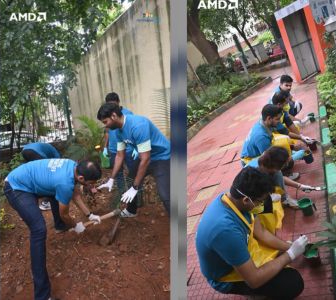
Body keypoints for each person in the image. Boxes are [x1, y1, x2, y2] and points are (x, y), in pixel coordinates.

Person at [196, 167, 307, 299]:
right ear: (246, 200)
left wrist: (289, 246)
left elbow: (261, 232)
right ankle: (255, 295)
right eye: (260, 201)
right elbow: (254, 280)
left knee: (280, 253)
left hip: (239, 249)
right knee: (292, 283)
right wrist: (291, 254)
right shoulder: (225, 230)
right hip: (226, 275)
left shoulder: (232, 197)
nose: (261, 205)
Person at [4, 159, 102, 300]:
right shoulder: (65, 183)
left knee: (55, 193)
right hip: (16, 187)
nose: (92, 186)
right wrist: (76, 225)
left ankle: (59, 226)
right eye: (91, 183)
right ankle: (42, 296)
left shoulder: (73, 166)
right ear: (81, 178)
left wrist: (89, 214)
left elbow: (75, 195)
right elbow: (64, 214)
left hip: (28, 179)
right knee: (39, 230)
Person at [96, 102, 170, 217]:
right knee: (131, 178)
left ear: (114, 116)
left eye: (106, 122)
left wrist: (135, 187)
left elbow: (146, 159)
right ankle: (131, 210)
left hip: (162, 156)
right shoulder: (118, 130)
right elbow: (120, 155)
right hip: (145, 156)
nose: (106, 126)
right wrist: (111, 178)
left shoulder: (138, 125)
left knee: (165, 195)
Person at [246, 146, 315, 210]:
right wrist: (270, 198)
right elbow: (251, 197)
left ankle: (284, 200)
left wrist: (300, 186)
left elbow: (281, 178)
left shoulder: (268, 164)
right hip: (251, 197)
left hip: (262, 183)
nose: (285, 167)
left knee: (277, 174)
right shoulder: (255, 175)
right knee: (270, 211)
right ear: (274, 166)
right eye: (284, 165)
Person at [101, 92, 138, 196]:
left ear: (118, 102)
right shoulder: (107, 116)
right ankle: (123, 195)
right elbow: (107, 132)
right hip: (114, 149)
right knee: (118, 174)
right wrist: (105, 147)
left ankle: (136, 196)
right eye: (109, 104)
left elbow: (133, 131)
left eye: (113, 104)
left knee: (133, 173)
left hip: (129, 149)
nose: (111, 107)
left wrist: (135, 148)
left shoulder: (128, 113)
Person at [21, 142, 61, 211]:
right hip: (35, 152)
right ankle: (45, 202)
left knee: (35, 173)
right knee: (46, 176)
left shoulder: (47, 147)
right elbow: (59, 163)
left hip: (24, 151)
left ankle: (33, 200)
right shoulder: (55, 152)